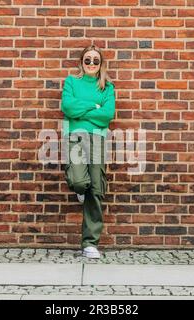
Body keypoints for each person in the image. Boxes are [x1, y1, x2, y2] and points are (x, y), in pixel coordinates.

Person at [60, 44, 116, 259]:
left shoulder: (107, 87)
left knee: (96, 188)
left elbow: (107, 114)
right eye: (87, 60)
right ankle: (79, 190)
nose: (91, 63)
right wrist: (95, 107)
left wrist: (83, 111)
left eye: (96, 60)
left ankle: (90, 243)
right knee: (78, 180)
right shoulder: (71, 82)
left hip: (99, 140)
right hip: (76, 136)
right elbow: (68, 107)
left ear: (101, 64)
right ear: (81, 62)